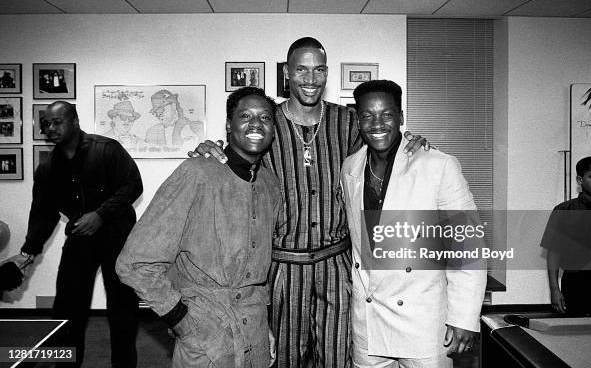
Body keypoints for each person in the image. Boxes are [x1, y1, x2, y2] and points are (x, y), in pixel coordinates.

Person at [190, 37, 427, 368]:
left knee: (339, 356)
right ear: (287, 73)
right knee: (285, 358)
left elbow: (385, 141)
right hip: (282, 268)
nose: (310, 79)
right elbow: (237, 149)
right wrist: (210, 148)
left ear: (327, 73)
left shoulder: (348, 121)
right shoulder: (266, 121)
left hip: (337, 266)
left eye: (318, 70)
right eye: (301, 69)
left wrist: (411, 140)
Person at [116, 87, 281, 368]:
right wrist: (182, 320)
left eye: (265, 118)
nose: (256, 124)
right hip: (205, 336)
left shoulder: (269, 183)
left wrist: (262, 324)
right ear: (229, 125)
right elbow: (134, 264)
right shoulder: (196, 173)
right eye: (245, 116)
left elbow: (258, 274)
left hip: (255, 334)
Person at [341, 80, 486, 367]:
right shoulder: (350, 167)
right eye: (368, 115)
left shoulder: (438, 165)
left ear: (401, 117)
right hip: (368, 322)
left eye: (387, 114)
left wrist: (464, 318)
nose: (377, 123)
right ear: (358, 121)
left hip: (422, 323)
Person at [8, 101, 143, 367]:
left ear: (75, 121)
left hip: (119, 239)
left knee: (123, 312)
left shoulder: (107, 149)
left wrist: (100, 214)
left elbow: (132, 185)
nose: (50, 128)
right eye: (46, 124)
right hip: (80, 241)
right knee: (67, 312)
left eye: (57, 122)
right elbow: (43, 214)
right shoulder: (47, 169)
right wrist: (28, 252)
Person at [541, 156, 591, 316]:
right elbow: (554, 253)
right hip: (575, 286)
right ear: (580, 180)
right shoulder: (564, 210)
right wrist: (554, 289)